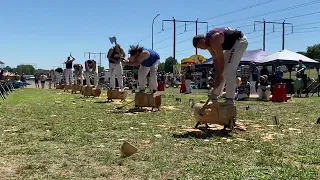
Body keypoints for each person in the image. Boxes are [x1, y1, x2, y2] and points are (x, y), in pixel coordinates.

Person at [193, 27, 248, 104]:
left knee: (229, 69)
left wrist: (219, 76)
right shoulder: (208, 44)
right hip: (231, 45)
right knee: (222, 71)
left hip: (239, 41)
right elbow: (215, 59)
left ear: (202, 41)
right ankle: (214, 96)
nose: (201, 49)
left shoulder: (213, 40)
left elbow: (221, 59)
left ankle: (230, 99)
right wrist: (217, 75)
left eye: (200, 47)